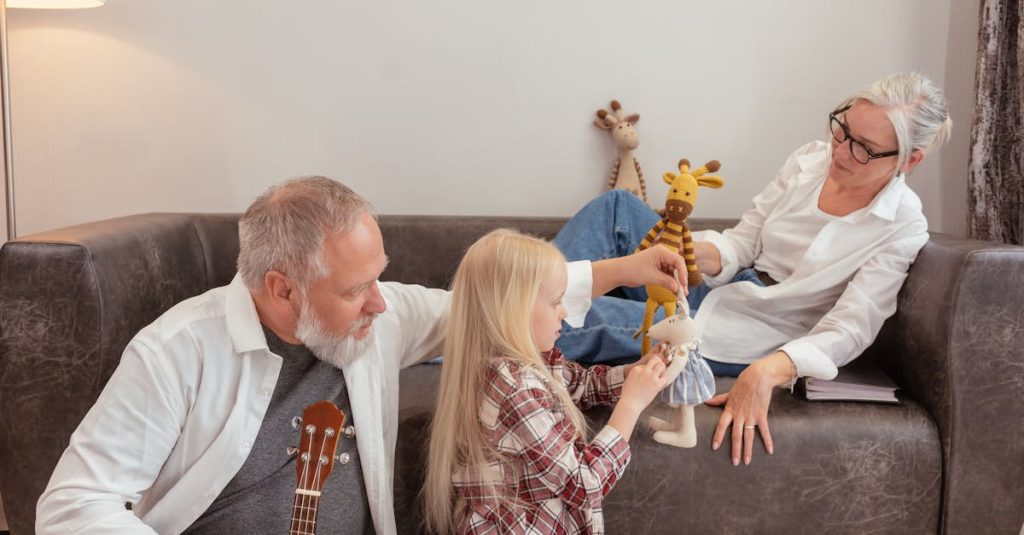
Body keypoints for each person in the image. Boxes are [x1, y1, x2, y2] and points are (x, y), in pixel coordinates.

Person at [35, 177, 687, 535]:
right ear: (281, 289)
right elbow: (72, 506)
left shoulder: (382, 316)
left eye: (380, 276)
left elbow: (497, 306)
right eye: (354, 289)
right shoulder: (176, 353)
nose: (381, 302)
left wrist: (621, 268)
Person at [553, 72, 952, 466]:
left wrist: (769, 370)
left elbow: (849, 330)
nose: (842, 151)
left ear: (909, 160)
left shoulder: (902, 226)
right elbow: (743, 243)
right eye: (843, 131)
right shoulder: (810, 159)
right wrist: (687, 251)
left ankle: (511, 330)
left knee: (579, 320)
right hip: (723, 286)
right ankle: (518, 294)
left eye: (864, 148)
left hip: (756, 328)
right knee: (617, 208)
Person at [422, 230, 668, 534]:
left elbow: (579, 383)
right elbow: (584, 483)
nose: (564, 312)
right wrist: (631, 405)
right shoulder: (516, 389)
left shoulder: (521, 365)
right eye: (556, 302)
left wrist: (630, 375)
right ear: (515, 311)